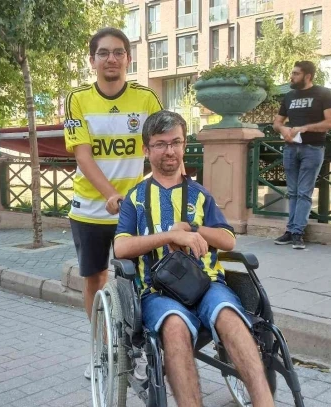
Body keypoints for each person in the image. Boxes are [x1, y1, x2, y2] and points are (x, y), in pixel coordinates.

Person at [114, 111, 275, 407]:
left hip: (207, 283)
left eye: (176, 142)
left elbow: (228, 239)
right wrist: (169, 236)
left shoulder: (200, 195)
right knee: (174, 326)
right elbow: (121, 248)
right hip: (157, 290)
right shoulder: (135, 199)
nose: (170, 150)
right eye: (161, 144)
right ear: (146, 149)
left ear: (184, 145)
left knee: (230, 318)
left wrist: (192, 229)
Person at [63, 27, 162, 380]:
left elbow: (162, 146)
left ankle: (136, 347)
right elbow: (83, 156)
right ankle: (101, 350)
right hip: (90, 209)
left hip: (134, 210)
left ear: (128, 59)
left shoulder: (147, 99)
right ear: (92, 60)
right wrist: (109, 194)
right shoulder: (77, 99)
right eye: (103, 53)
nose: (111, 59)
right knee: (95, 279)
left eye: (118, 52)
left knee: (141, 280)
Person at [273, 60, 331, 250]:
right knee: (292, 192)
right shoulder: (289, 96)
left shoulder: (323, 94)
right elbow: (277, 123)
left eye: (296, 73)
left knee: (304, 192)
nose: (292, 77)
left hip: (313, 148)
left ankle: (297, 232)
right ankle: (290, 230)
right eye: (292, 73)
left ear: (307, 76)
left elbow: (330, 123)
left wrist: (305, 128)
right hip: (290, 148)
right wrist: (283, 129)